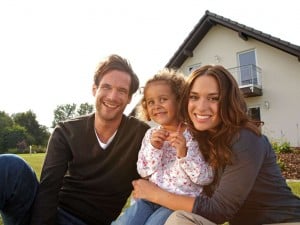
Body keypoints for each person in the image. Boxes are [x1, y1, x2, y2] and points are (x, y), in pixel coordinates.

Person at [131, 65, 300, 225]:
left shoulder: (245, 139)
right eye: (194, 97)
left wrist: (155, 195)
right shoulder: (199, 138)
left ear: (227, 101)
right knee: (179, 219)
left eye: (213, 98)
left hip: (282, 221)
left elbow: (219, 210)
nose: (201, 107)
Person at [0, 54, 150, 225]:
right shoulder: (66, 131)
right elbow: (48, 189)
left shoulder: (142, 136)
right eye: (106, 87)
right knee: (11, 167)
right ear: (95, 89)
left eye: (122, 90)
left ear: (130, 98)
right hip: (49, 213)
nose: (112, 96)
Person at [111, 68, 213, 225]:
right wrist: (154, 148)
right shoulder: (151, 135)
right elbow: (143, 171)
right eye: (151, 102)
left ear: (179, 101)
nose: (156, 106)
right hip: (149, 199)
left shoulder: (195, 135)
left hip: (178, 201)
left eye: (163, 99)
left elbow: (205, 178)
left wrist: (184, 154)